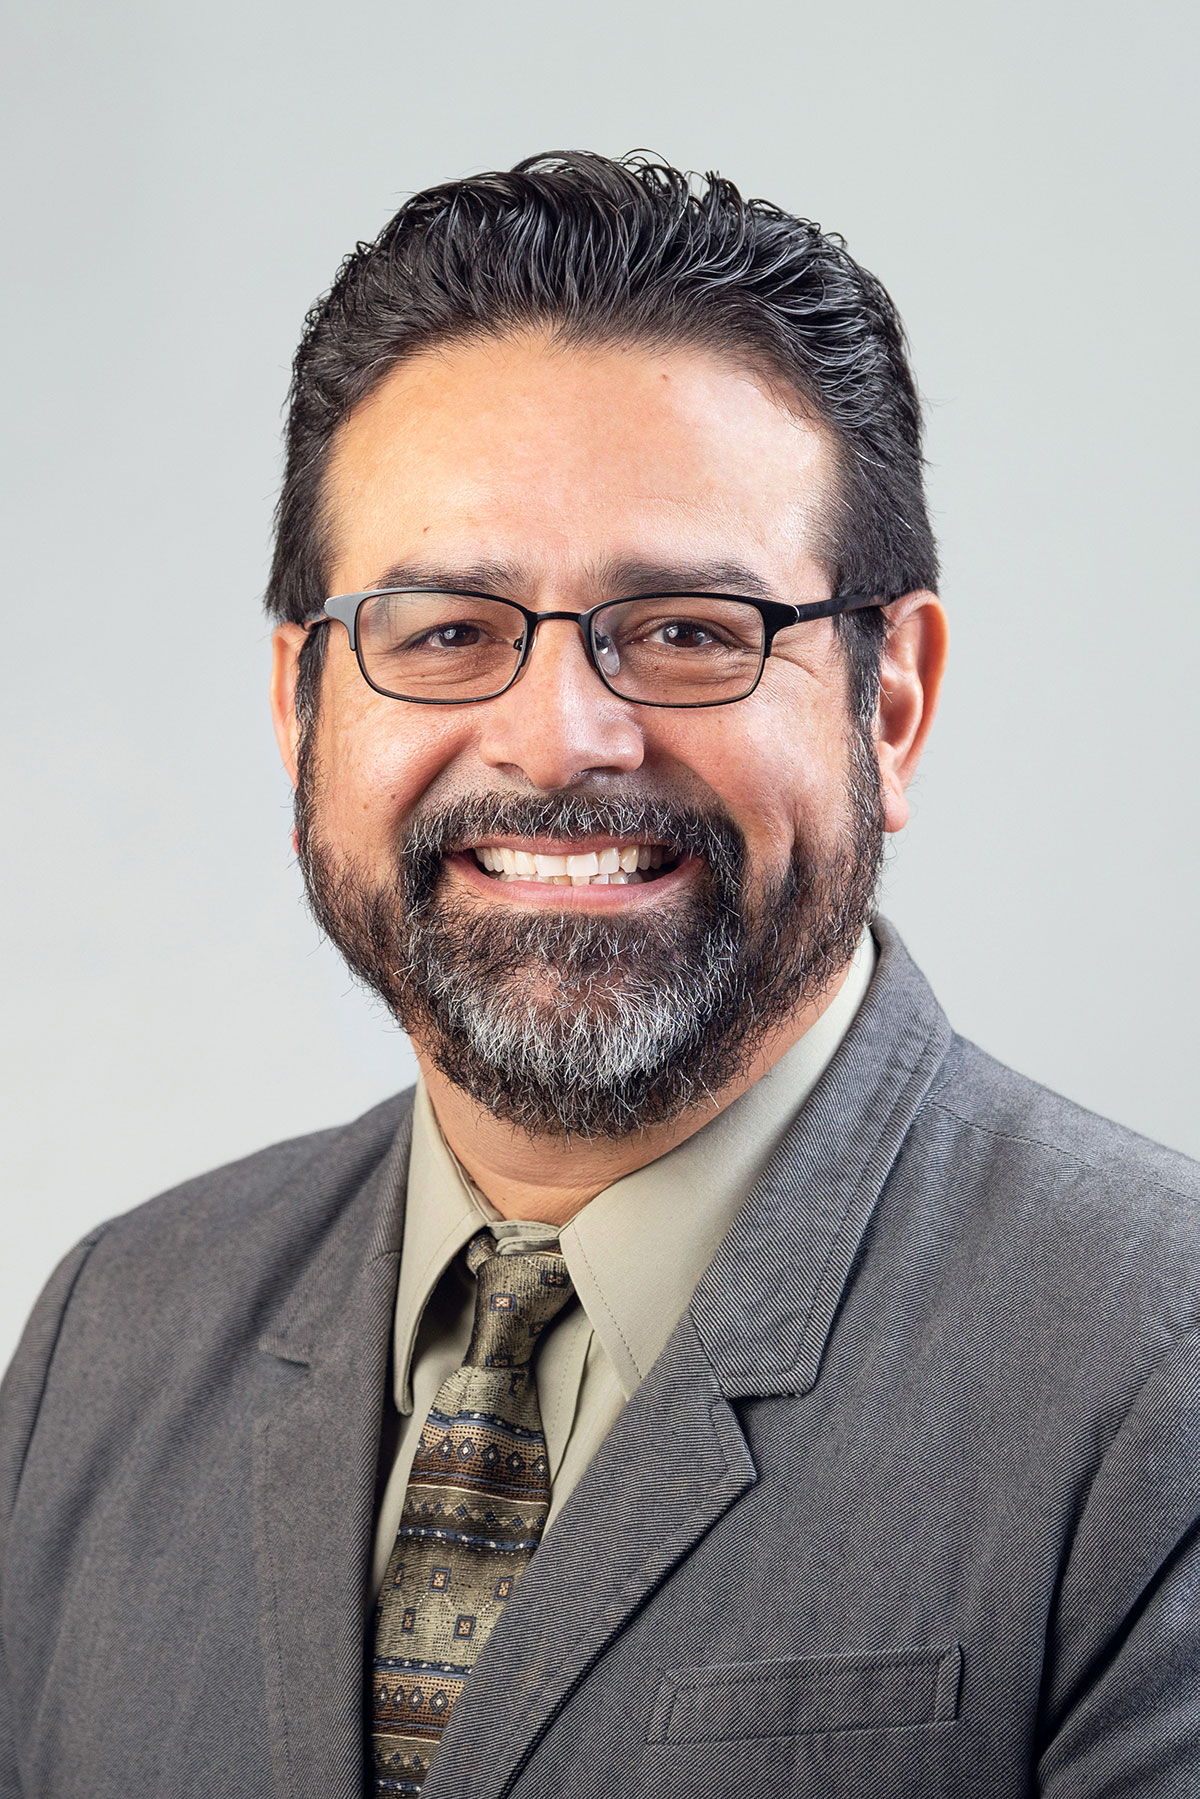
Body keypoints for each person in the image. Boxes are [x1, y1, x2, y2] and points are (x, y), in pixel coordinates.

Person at [1, 151, 1197, 1799]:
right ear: (303, 709)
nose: (562, 736)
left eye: (692, 629)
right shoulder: (109, 1336)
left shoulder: (1161, 1377)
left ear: (893, 699)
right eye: (442, 632)